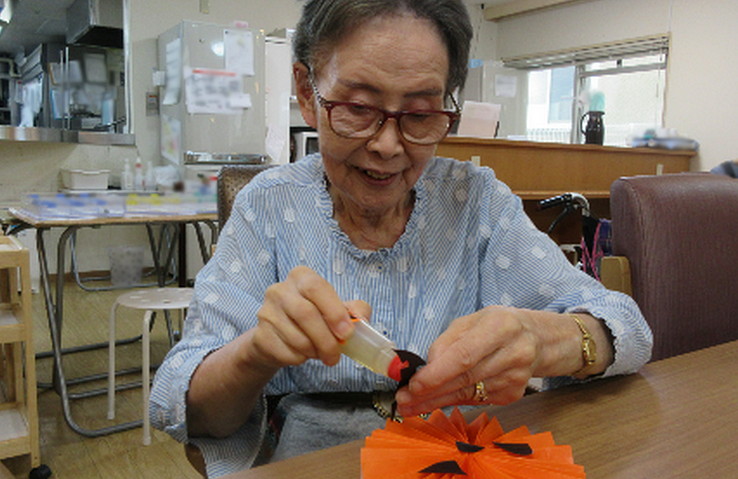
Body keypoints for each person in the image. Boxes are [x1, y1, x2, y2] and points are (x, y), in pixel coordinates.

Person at [150, 0, 653, 476]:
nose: (388, 146)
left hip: (457, 456)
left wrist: (544, 340)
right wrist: (255, 352)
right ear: (307, 92)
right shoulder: (270, 207)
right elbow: (186, 405)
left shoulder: (474, 202)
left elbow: (628, 329)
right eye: (357, 107)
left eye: (418, 115)